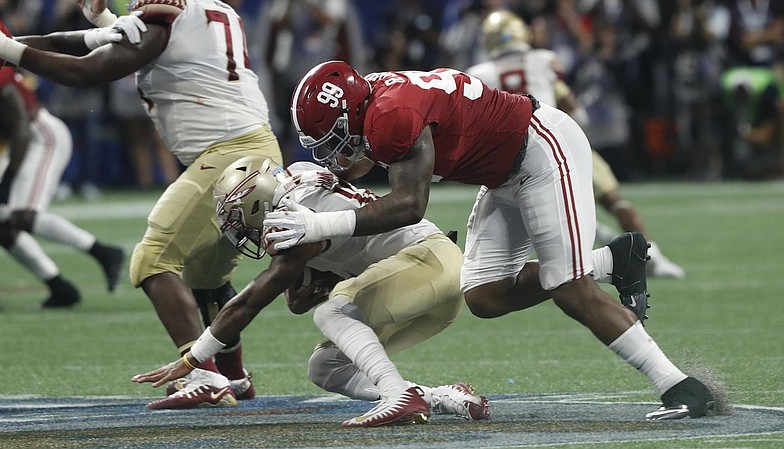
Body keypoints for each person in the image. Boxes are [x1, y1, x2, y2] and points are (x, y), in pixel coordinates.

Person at [264, 59, 717, 422]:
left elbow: (407, 206)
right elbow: (366, 159)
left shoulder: (391, 114)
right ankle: (614, 259)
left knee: (570, 288)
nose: (332, 150)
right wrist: (331, 178)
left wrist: (318, 225)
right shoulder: (376, 99)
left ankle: (679, 386)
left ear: (352, 113)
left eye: (333, 137)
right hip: (503, 171)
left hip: (540, 151)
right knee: (484, 295)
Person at [0, 0, 283, 407]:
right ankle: (234, 377)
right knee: (206, 279)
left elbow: (86, 70)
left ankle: (201, 373)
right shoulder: (210, 9)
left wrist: (7, 50)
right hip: (256, 150)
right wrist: (98, 24)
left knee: (152, 262)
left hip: (230, 155)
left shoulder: (166, 12)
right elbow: (127, 42)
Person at [133, 155, 491, 426]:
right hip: (424, 285)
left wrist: (194, 357)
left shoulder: (300, 207)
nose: (242, 230)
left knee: (333, 311)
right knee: (325, 367)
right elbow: (297, 301)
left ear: (258, 200)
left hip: (429, 260)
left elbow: (255, 298)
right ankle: (441, 397)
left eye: (241, 216)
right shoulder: (299, 186)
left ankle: (399, 397)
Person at [466, 10, 685, 279]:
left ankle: (581, 261)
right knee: (614, 201)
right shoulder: (543, 60)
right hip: (557, 143)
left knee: (536, 223)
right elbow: (576, 111)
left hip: (508, 160)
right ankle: (653, 257)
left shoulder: (477, 75)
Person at [0, 14, 124, 308]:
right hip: (14, 141)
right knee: (0, 227)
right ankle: (59, 287)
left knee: (23, 215)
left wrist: (6, 183)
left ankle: (104, 252)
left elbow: (21, 127)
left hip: (39, 136)